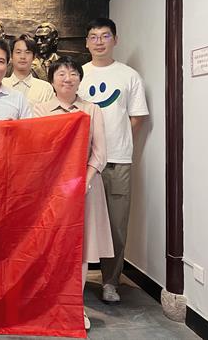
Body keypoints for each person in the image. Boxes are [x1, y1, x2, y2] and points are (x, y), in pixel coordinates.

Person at [33, 56, 114, 330]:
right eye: (61, 73)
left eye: (73, 74)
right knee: (51, 248)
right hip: (51, 191)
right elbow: (37, 152)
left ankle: (75, 307)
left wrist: (83, 182)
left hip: (85, 190)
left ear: (80, 78)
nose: (67, 78)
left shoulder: (92, 110)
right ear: (52, 80)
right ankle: (49, 304)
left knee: (80, 249)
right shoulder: (39, 111)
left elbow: (100, 153)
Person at [78, 17, 149, 304]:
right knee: (78, 223)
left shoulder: (129, 76)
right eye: (93, 36)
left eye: (105, 36)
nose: (99, 42)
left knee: (117, 225)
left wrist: (115, 143)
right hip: (82, 163)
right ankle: (76, 281)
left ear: (115, 40)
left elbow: (137, 118)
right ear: (86, 42)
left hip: (118, 161)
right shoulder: (77, 74)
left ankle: (110, 281)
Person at [2, 34, 54, 110]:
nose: (22, 57)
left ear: (34, 57)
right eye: (18, 52)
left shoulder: (45, 88)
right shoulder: (0, 85)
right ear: (11, 56)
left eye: (27, 52)